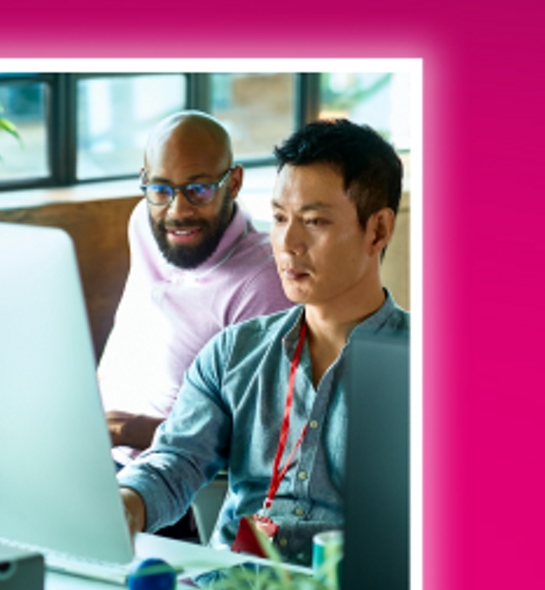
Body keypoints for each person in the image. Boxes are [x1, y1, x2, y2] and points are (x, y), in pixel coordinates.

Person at [117, 119, 408, 566]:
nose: (288, 243)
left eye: (314, 221)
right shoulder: (233, 352)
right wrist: (129, 501)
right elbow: (177, 459)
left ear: (379, 230)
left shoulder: (425, 367)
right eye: (278, 218)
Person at [96, 111, 292, 467]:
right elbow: (127, 336)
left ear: (233, 183)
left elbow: (255, 438)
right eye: (161, 189)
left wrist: (122, 429)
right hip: (97, 450)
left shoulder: (263, 281)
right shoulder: (144, 221)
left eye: (198, 189)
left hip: (170, 480)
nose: (177, 211)